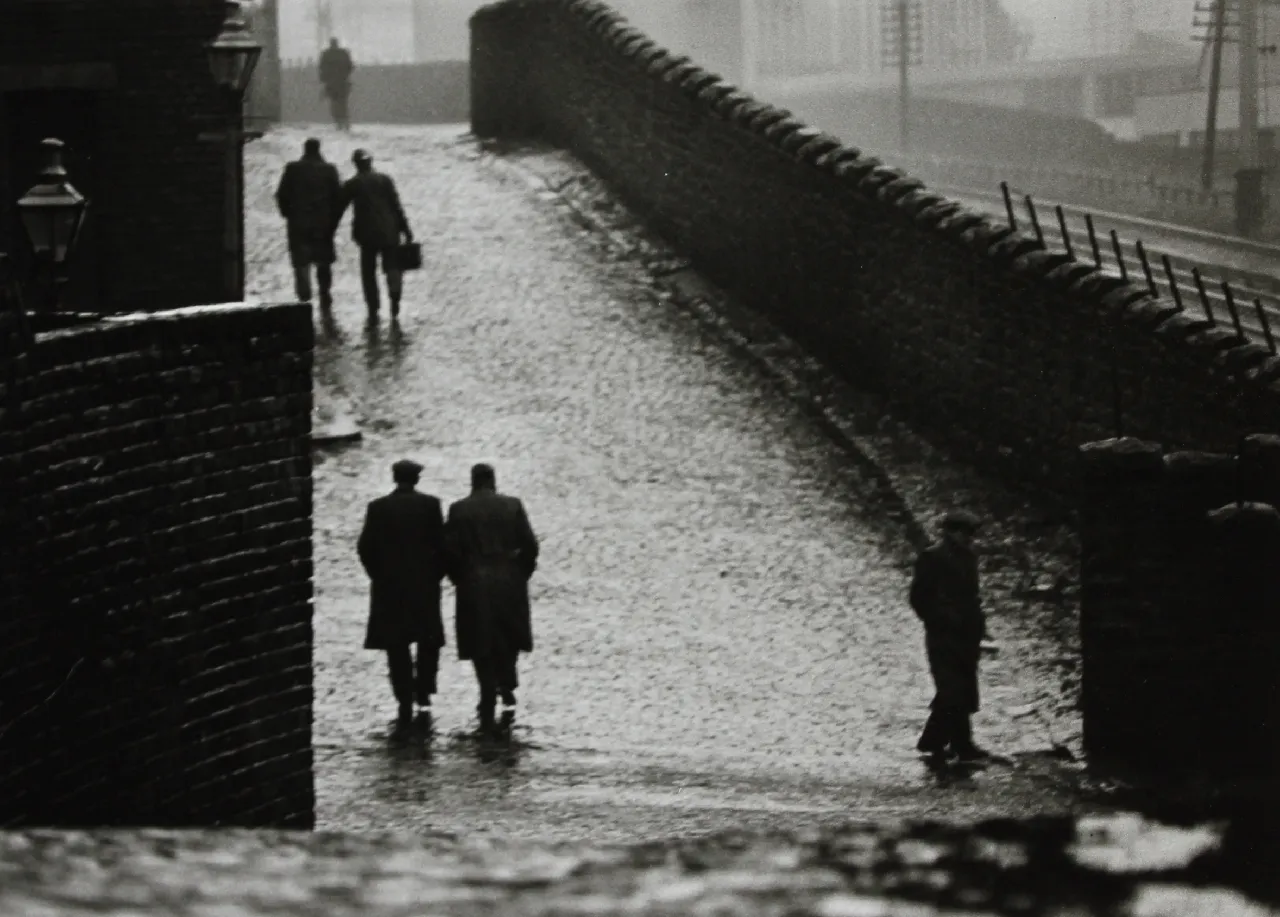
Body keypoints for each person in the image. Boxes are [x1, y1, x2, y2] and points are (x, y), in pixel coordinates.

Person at [444, 463, 540, 731]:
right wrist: (522, 573)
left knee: (478, 637)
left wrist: (458, 578)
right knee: (508, 632)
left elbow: (449, 551)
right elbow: (530, 545)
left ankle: (486, 688)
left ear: (472, 481)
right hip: (509, 578)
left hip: (474, 580)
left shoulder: (458, 509)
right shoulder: (513, 505)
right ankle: (507, 683)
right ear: (493, 481)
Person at [357, 459, 447, 727]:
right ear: (416, 479)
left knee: (396, 644)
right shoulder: (431, 505)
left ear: (395, 478)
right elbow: (441, 545)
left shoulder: (378, 508)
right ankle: (424, 690)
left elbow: (365, 547)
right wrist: (436, 574)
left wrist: (379, 575)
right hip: (424, 585)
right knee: (428, 639)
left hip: (390, 587)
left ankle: (403, 695)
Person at [909, 510, 991, 763]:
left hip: (967, 633)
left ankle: (960, 743)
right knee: (951, 689)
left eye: (969, 533)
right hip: (943, 635)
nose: (967, 538)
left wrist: (977, 624)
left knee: (964, 688)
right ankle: (935, 741)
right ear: (949, 532)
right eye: (963, 532)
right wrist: (938, 619)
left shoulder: (969, 557)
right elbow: (918, 596)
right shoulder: (932, 557)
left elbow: (972, 595)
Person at [337, 149, 413, 318]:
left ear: (356, 164)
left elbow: (338, 208)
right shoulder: (385, 180)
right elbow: (396, 206)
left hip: (367, 235)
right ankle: (395, 298)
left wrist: (328, 230)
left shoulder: (352, 184)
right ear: (371, 162)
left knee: (368, 272)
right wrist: (406, 229)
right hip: (390, 231)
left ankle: (373, 307)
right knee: (393, 267)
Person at [274, 138, 341, 310]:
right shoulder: (329, 170)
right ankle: (324, 293)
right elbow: (337, 199)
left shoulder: (292, 169)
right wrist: (332, 221)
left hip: (298, 223)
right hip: (323, 225)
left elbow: (281, 195)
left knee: (301, 262)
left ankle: (304, 298)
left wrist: (288, 214)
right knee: (323, 262)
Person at [318, 38, 354, 130]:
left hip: (331, 83)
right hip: (343, 82)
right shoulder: (343, 53)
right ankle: (345, 121)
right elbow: (350, 67)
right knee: (343, 103)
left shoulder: (326, 54)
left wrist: (324, 81)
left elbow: (322, 68)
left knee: (334, 103)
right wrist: (345, 75)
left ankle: (338, 122)